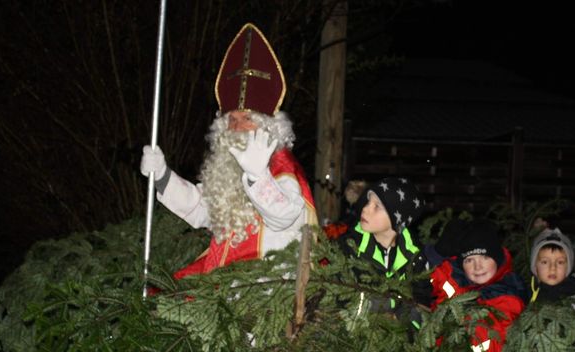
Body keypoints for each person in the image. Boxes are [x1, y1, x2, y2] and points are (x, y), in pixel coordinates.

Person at [139, 23, 316, 280]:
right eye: (231, 120)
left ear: (269, 126)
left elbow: (285, 215)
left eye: (247, 119)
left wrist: (258, 178)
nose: (237, 128)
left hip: (266, 293)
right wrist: (163, 175)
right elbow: (203, 209)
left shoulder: (282, 168)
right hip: (223, 284)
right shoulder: (230, 169)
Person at [335, 177, 433, 326]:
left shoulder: (415, 256)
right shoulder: (348, 247)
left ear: (397, 220)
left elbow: (421, 300)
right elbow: (341, 296)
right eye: (368, 202)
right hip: (356, 334)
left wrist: (404, 326)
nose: (366, 209)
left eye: (377, 207)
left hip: (399, 339)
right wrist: (386, 306)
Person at [430, 219, 527, 352]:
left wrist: (464, 312)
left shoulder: (507, 299)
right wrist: (440, 256)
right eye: (469, 260)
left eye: (485, 257)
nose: (478, 267)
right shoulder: (460, 286)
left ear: (498, 260)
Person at [529, 227, 575, 303]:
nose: (553, 268)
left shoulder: (574, 293)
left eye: (560, 262)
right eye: (545, 262)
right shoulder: (530, 292)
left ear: (567, 267)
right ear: (535, 267)